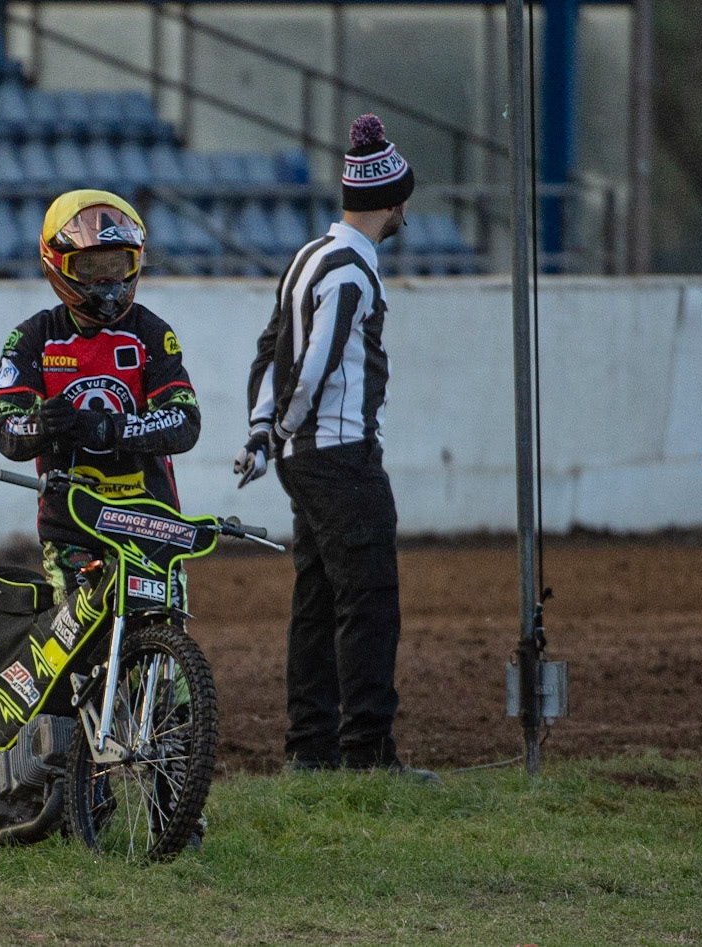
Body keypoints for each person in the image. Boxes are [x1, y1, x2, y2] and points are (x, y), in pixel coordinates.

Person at [234, 114, 436, 782]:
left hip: (302, 460)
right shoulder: (352, 271)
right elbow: (312, 363)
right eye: (403, 197)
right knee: (370, 600)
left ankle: (309, 748)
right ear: (391, 200)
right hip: (341, 456)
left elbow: (270, 350)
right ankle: (369, 752)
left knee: (316, 603)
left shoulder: (309, 256)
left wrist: (264, 433)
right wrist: (287, 423)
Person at [0, 189, 200, 597]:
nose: (107, 284)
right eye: (91, 268)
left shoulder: (152, 333)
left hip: (150, 517)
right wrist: (42, 424)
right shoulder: (32, 339)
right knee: (75, 650)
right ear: (59, 266)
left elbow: (184, 421)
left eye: (117, 266)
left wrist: (104, 428)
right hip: (72, 524)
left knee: (165, 627)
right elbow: (6, 430)